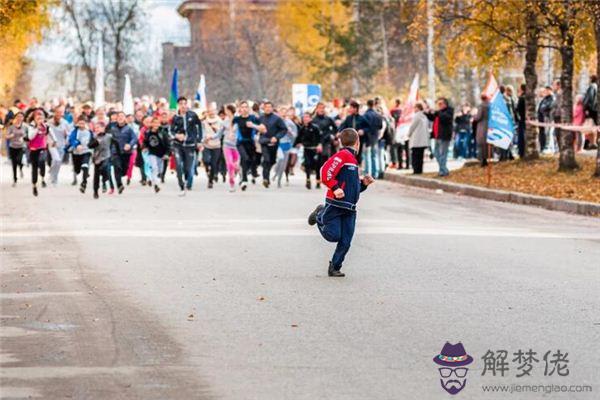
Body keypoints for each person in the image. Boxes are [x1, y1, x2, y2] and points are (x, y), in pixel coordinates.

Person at [306, 128, 374, 277]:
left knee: (346, 240)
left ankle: (335, 266)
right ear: (358, 142)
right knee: (333, 235)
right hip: (336, 204)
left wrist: (364, 184)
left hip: (350, 207)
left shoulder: (353, 160)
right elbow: (325, 172)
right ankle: (319, 213)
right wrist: (335, 188)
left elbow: (352, 187)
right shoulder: (342, 155)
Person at [171, 96, 203, 195]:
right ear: (178, 105)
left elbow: (199, 128)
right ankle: (181, 185)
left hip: (190, 145)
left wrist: (199, 140)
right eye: (181, 104)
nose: (183, 106)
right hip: (178, 145)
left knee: (188, 168)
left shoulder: (193, 115)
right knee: (178, 164)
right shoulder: (175, 117)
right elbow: (171, 130)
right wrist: (176, 135)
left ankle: (187, 181)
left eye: (185, 103)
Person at [256, 101, 288, 188]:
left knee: (272, 161)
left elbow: (284, 129)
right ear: (264, 108)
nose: (268, 109)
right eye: (266, 107)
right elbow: (255, 128)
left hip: (274, 142)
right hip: (264, 141)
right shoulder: (260, 118)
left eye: (269, 107)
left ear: (272, 108)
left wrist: (277, 137)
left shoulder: (277, 119)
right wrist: (257, 131)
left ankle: (267, 173)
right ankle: (265, 179)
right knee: (266, 159)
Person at [233, 100, 260, 190]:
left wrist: (254, 126)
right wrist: (231, 132)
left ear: (248, 108)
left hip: (251, 143)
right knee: (245, 158)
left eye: (246, 107)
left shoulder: (253, 118)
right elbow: (231, 125)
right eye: (242, 107)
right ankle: (244, 179)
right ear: (240, 109)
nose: (244, 109)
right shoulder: (237, 119)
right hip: (240, 142)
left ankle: (243, 176)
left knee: (249, 160)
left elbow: (262, 128)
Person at [109, 111, 137, 193]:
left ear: (125, 119)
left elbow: (134, 139)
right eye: (119, 116)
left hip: (126, 153)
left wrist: (129, 145)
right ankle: (119, 185)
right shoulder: (112, 129)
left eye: (122, 116)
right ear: (116, 119)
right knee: (117, 167)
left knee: (124, 170)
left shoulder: (129, 129)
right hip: (115, 152)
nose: (120, 118)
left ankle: (121, 176)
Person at [426, 98, 454, 176]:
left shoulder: (449, 111)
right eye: (438, 104)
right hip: (437, 135)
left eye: (441, 104)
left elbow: (445, 118)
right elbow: (432, 118)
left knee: (443, 154)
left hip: (444, 135)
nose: (439, 106)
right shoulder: (439, 112)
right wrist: (427, 113)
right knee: (436, 153)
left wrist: (436, 112)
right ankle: (443, 169)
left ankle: (443, 171)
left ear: (445, 104)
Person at [294, 112, 322, 189]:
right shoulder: (302, 128)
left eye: (307, 117)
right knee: (307, 164)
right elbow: (298, 138)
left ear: (310, 118)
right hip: (307, 149)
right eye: (304, 117)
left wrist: (320, 144)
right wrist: (297, 144)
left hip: (315, 149)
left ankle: (318, 181)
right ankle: (308, 180)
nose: (305, 119)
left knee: (317, 166)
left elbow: (320, 137)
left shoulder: (315, 127)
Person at [88, 122, 116, 199]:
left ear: (103, 128)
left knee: (105, 168)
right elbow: (89, 145)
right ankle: (95, 191)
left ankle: (104, 180)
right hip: (97, 158)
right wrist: (96, 142)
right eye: (95, 128)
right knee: (96, 175)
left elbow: (116, 143)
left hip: (107, 156)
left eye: (98, 127)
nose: (96, 129)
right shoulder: (94, 136)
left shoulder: (109, 136)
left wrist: (115, 153)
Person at [143, 116, 170, 193]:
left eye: (157, 123)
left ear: (159, 124)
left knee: (160, 171)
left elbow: (168, 145)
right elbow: (145, 142)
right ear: (151, 124)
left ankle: (152, 179)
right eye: (154, 123)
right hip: (152, 153)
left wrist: (167, 154)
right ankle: (156, 185)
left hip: (161, 155)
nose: (155, 124)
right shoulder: (148, 133)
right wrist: (144, 147)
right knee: (154, 167)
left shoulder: (163, 133)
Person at [67, 115, 93, 194]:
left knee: (85, 165)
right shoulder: (75, 131)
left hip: (86, 152)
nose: (81, 125)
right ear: (77, 123)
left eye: (83, 123)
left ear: (86, 123)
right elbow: (71, 139)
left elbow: (93, 140)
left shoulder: (89, 132)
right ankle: (80, 173)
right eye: (80, 123)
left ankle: (84, 183)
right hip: (76, 153)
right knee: (77, 170)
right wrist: (77, 144)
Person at [27, 110, 50, 196]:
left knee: (42, 161)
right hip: (33, 149)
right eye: (38, 118)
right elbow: (30, 137)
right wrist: (37, 128)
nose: (40, 120)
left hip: (42, 148)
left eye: (41, 118)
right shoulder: (32, 126)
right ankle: (34, 186)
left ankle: (43, 178)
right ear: (34, 119)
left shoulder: (46, 126)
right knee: (34, 168)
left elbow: (50, 134)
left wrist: (54, 141)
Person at [274, 107, 297, 188]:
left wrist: (290, 132)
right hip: (278, 144)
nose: (283, 114)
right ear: (279, 113)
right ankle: (276, 172)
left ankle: (279, 181)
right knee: (280, 159)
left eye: (285, 113)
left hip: (287, 145)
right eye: (282, 112)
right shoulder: (276, 121)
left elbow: (295, 135)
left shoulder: (290, 123)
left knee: (283, 165)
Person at [219, 104, 241, 192]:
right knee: (230, 164)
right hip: (226, 145)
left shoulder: (238, 120)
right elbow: (219, 133)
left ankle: (238, 174)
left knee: (236, 165)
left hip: (236, 146)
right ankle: (232, 184)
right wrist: (211, 137)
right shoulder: (224, 121)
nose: (225, 112)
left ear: (229, 110)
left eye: (226, 110)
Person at [47, 106, 70, 185]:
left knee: (58, 162)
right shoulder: (49, 122)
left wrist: (66, 135)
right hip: (52, 144)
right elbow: (47, 133)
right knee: (56, 159)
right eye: (57, 112)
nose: (59, 114)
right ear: (54, 113)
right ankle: (52, 173)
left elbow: (69, 134)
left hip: (62, 144)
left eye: (60, 112)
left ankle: (54, 177)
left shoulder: (65, 122)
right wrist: (50, 141)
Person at [202, 105, 223, 189]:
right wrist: (204, 138)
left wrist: (215, 132)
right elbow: (202, 131)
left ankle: (210, 181)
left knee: (214, 164)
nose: (211, 112)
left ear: (215, 111)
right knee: (206, 160)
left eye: (213, 110)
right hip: (206, 144)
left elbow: (221, 133)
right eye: (209, 111)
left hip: (216, 145)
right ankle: (207, 169)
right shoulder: (204, 121)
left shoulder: (220, 121)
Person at [362, 99, 383, 178]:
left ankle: (368, 172)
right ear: (374, 105)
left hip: (367, 137)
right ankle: (375, 173)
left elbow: (363, 126)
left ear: (367, 104)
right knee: (374, 155)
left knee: (367, 155)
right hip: (375, 137)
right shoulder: (378, 115)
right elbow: (380, 126)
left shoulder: (365, 115)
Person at [407, 103, 429, 174]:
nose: (414, 109)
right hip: (423, 140)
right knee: (420, 157)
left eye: (415, 108)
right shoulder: (424, 116)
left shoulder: (417, 116)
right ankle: (420, 170)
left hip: (416, 140)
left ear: (418, 108)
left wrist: (408, 134)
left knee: (415, 156)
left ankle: (416, 170)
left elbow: (412, 127)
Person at [6, 111, 27, 186]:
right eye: (18, 116)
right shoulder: (11, 127)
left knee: (18, 160)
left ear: (23, 118)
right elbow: (6, 136)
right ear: (15, 118)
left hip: (21, 146)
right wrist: (11, 135)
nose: (19, 118)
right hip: (12, 147)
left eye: (21, 117)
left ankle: (21, 168)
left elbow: (28, 136)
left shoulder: (25, 127)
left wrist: (24, 138)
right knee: (14, 164)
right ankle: (15, 179)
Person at [473, 94, 490, 167]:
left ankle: (483, 159)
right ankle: (486, 157)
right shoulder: (490, 105)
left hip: (482, 125)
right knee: (486, 143)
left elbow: (478, 117)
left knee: (481, 143)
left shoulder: (481, 106)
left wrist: (474, 116)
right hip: (489, 124)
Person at [537, 86, 554, 153]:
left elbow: (548, 107)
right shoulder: (544, 99)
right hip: (541, 118)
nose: (545, 92)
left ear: (549, 90)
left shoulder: (551, 98)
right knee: (542, 133)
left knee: (547, 133)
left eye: (546, 91)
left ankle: (546, 147)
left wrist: (543, 108)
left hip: (547, 118)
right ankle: (542, 147)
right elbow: (540, 108)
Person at [583, 75, 598, 149]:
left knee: (591, 126)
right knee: (595, 126)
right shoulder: (597, 86)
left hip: (591, 109)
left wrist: (586, 108)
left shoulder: (592, 87)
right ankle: (593, 142)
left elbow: (590, 98)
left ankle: (593, 142)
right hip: (596, 109)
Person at [516, 84, 527, 158]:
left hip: (522, 120)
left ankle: (521, 152)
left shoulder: (522, 98)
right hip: (526, 120)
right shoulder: (528, 97)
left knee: (521, 136)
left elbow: (518, 109)